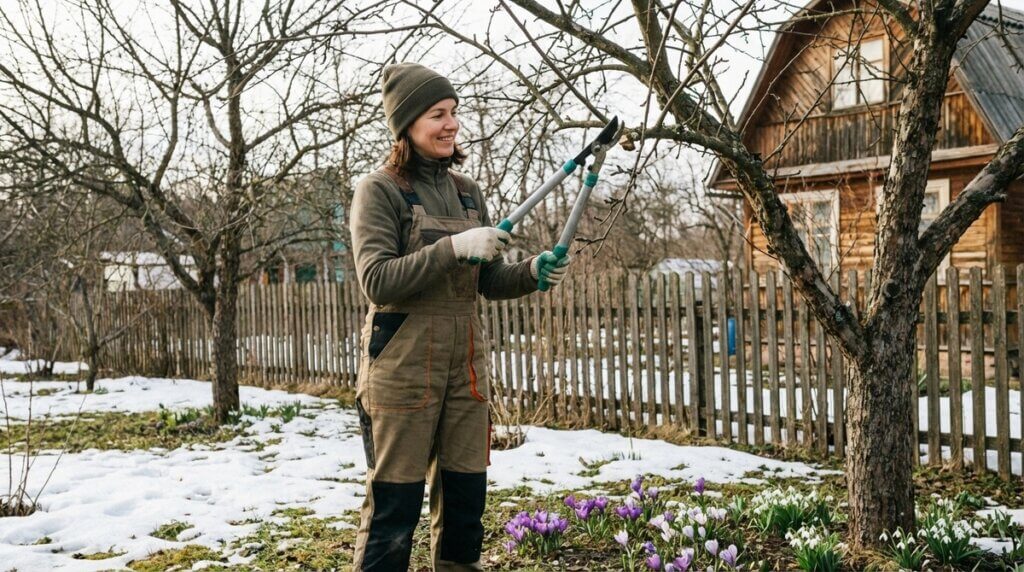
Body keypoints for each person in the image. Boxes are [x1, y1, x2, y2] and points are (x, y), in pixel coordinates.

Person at [349, 62, 571, 571]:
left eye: (453, 113)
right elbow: (377, 281)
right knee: (395, 507)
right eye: (436, 114)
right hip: (401, 371)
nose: (450, 124)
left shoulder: (468, 191)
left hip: (465, 370)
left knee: (466, 502)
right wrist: (453, 248)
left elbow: (487, 281)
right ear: (406, 125)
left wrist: (533, 271)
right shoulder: (378, 190)